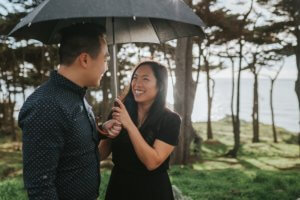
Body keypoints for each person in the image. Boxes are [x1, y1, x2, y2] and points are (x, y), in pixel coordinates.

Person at [18, 23, 121, 200]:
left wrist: (102, 130)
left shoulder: (76, 95)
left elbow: (70, 139)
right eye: (105, 59)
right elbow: (40, 187)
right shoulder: (46, 106)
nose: (106, 67)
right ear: (85, 59)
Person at [99, 61, 182, 200]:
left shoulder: (171, 120)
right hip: (119, 189)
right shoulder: (119, 112)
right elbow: (101, 154)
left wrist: (129, 125)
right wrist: (104, 132)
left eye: (145, 79)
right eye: (135, 77)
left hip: (153, 191)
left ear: (160, 85)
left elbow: (152, 162)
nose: (137, 84)